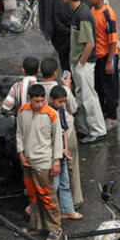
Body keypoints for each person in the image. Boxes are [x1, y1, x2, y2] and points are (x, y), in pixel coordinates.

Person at [17, 84, 63, 240]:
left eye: (42, 100)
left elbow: (57, 140)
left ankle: (55, 228)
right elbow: (19, 134)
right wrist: (21, 153)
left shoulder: (52, 115)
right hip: (28, 162)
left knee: (47, 195)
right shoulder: (23, 111)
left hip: (44, 163)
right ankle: (37, 225)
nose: (40, 104)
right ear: (30, 99)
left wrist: (56, 162)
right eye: (36, 101)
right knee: (33, 195)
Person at [61, 0, 106, 144]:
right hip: (79, 63)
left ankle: (98, 131)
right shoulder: (78, 12)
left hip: (84, 64)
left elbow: (90, 43)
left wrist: (81, 63)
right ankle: (87, 129)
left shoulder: (82, 15)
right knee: (82, 96)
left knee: (88, 98)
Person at [39, 58, 83, 207]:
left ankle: (56, 203)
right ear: (56, 73)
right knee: (71, 168)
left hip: (45, 137)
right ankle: (75, 200)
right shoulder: (61, 90)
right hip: (66, 134)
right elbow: (74, 107)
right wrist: (68, 88)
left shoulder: (36, 90)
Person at [84, 0, 120, 127]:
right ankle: (104, 112)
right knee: (99, 86)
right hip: (97, 56)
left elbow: (113, 40)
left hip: (107, 56)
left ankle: (112, 117)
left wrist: (110, 61)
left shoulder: (108, 14)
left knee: (110, 88)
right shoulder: (92, 10)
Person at [48, 85, 81, 220]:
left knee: (64, 183)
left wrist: (65, 149)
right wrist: (58, 154)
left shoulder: (60, 111)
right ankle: (47, 213)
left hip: (61, 153)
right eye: (59, 102)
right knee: (53, 186)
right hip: (53, 155)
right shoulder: (47, 113)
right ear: (51, 100)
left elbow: (64, 131)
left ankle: (67, 209)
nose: (62, 105)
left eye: (64, 102)